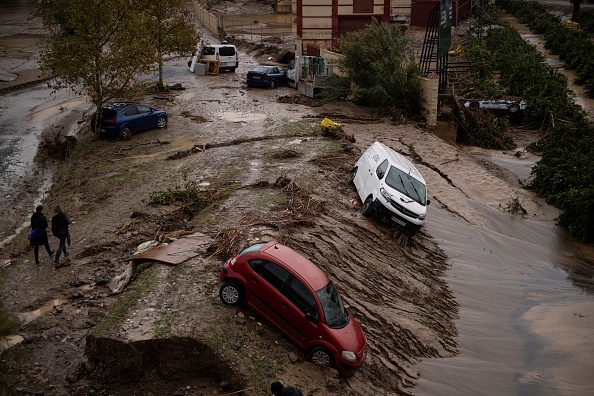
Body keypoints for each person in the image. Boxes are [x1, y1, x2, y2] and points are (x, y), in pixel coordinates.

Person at [51, 204, 71, 268]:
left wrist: (55, 234)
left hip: (58, 233)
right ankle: (56, 259)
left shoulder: (54, 218)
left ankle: (65, 253)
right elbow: (68, 222)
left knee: (62, 242)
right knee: (61, 245)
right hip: (63, 232)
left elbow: (52, 228)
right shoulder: (63, 215)